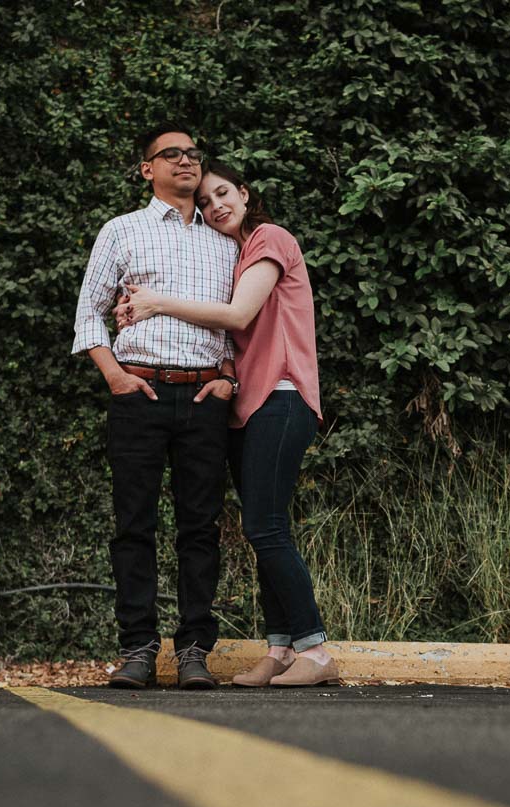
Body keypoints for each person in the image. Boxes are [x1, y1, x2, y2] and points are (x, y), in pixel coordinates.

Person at [116, 160, 338, 687]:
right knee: (264, 529)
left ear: (244, 192)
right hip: (247, 405)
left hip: (282, 398)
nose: (216, 205)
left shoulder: (270, 239)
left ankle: (316, 648)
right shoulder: (235, 256)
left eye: (224, 193)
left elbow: (238, 317)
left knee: (267, 527)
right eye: (208, 199)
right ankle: (281, 648)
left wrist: (153, 303)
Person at [71, 125, 239, 691]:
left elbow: (243, 323)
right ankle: (138, 648)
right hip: (138, 393)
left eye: (194, 154)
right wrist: (114, 375)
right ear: (148, 169)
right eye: (173, 155)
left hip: (203, 398)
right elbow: (89, 313)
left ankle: (194, 649)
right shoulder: (123, 230)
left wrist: (228, 378)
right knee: (134, 526)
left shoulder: (225, 240)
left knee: (201, 528)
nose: (187, 162)